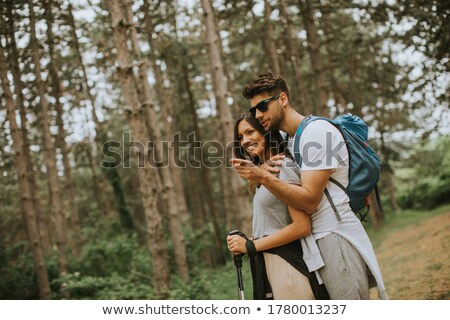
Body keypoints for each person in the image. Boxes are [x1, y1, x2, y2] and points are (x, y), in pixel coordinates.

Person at [231, 73, 388, 300]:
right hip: (318, 242)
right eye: (254, 109)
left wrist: (263, 177)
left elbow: (310, 200)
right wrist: (260, 173)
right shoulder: (293, 139)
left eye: (263, 106)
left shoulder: (317, 133)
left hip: (335, 235)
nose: (258, 115)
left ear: (282, 99)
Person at [227, 111, 329, 300]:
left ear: (265, 132)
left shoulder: (283, 167)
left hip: (287, 265)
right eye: (241, 137)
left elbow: (302, 226)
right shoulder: (266, 174)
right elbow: (275, 224)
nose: (245, 141)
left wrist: (251, 245)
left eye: (250, 132)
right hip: (272, 264)